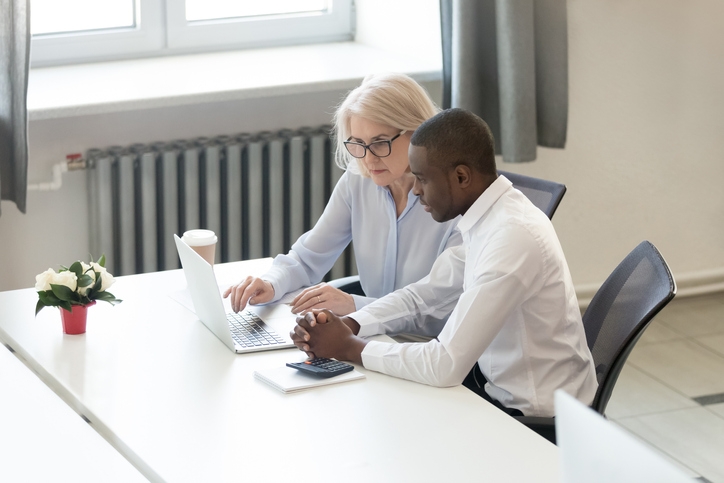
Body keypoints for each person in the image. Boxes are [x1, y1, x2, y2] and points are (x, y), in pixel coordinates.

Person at [290, 108, 597, 417]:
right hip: (495, 391)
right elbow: (427, 294)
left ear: (461, 176)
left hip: (536, 419)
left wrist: (348, 348)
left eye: (422, 179)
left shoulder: (512, 238)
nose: (415, 190)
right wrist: (352, 324)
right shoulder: (488, 218)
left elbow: (444, 364)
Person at [224, 73, 461, 325]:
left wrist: (353, 305)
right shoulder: (358, 180)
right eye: (358, 143)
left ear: (418, 132)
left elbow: (442, 312)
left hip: (429, 351)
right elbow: (307, 259)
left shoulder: (456, 202)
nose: (368, 160)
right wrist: (272, 282)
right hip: (369, 338)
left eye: (380, 143)